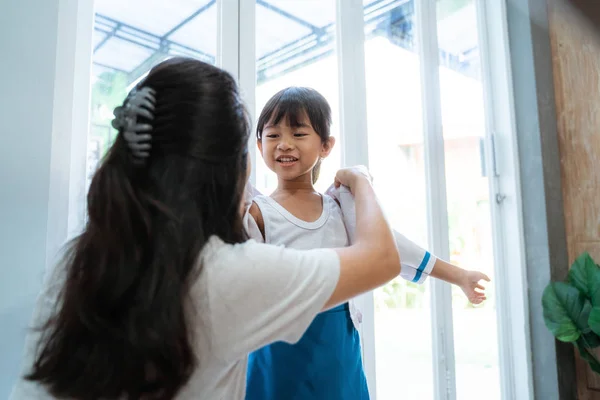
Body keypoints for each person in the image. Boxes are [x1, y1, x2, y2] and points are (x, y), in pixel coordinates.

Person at [9, 58, 400, 400]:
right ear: (226, 170)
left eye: (298, 134)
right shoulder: (226, 275)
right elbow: (382, 258)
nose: (282, 146)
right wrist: (360, 180)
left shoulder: (80, 257)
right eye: (262, 140)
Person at [244, 87, 490, 399]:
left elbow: (394, 248)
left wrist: (459, 276)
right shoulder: (257, 212)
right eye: (273, 135)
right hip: (275, 355)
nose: (284, 144)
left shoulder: (339, 207)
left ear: (325, 145)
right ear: (258, 144)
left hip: (336, 348)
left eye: (298, 133)